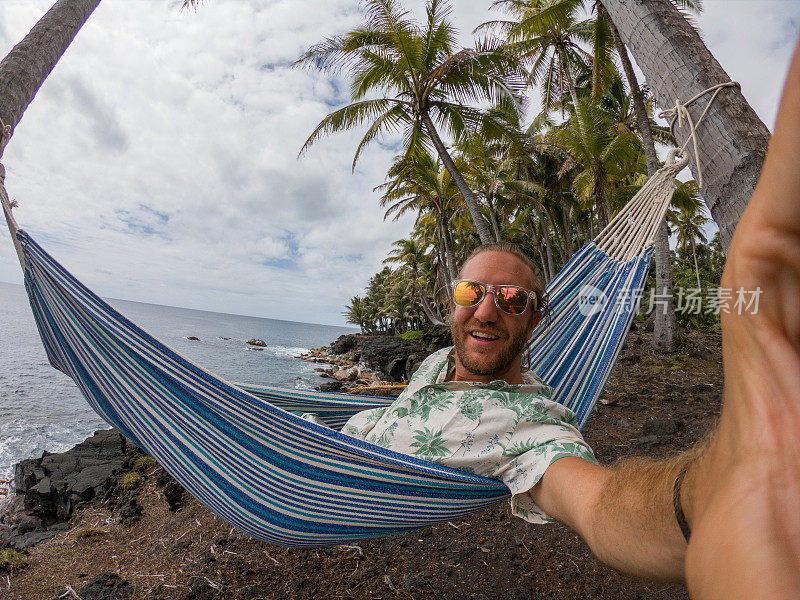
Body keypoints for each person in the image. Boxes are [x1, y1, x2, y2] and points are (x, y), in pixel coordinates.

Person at [316, 36, 800, 598]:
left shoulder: (534, 425)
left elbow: (596, 504)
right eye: (473, 290)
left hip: (312, 485)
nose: (488, 308)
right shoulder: (436, 362)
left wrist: (707, 494)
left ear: (535, 320)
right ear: (454, 301)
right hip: (314, 447)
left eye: (512, 299)